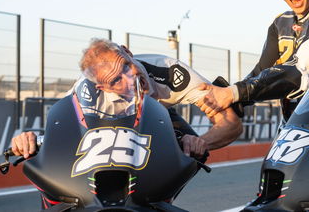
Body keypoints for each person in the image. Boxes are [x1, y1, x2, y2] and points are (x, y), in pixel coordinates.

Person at [12, 38, 242, 159]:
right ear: (101, 86)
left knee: (193, 154)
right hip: (109, 126)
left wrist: (200, 141)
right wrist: (27, 140)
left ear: (127, 52)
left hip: (161, 115)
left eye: (125, 66)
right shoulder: (86, 92)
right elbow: (57, 132)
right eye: (115, 81)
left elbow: (230, 123)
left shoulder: (170, 73)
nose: (130, 79)